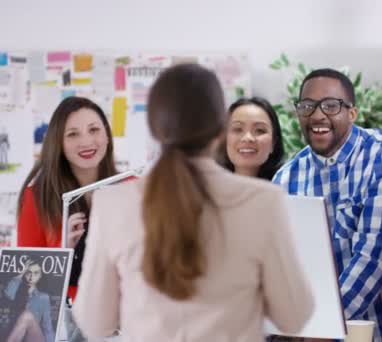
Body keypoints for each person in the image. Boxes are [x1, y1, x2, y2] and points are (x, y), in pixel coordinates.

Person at [73, 63, 314, 341]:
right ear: (220, 129)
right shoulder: (263, 201)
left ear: (154, 127)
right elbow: (295, 315)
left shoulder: (112, 203)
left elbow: (94, 322)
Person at [273, 68, 382, 341]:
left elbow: (374, 257)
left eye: (331, 105)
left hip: (375, 331)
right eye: (307, 106)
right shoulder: (286, 178)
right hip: (306, 332)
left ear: (352, 113)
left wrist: (321, 328)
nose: (317, 115)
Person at [16, 96, 120, 300]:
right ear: (59, 143)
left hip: (127, 319)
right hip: (68, 320)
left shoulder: (131, 187)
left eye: (94, 130)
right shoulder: (36, 199)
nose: (86, 142)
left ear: (107, 134)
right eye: (73, 134)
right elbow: (27, 285)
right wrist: (63, 251)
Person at [222, 97, 285, 180]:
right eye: (238, 129)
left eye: (259, 130)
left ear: (273, 143)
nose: (248, 138)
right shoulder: (205, 188)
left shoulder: (285, 187)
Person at [3, 258, 53, 342]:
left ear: (40, 275)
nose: (31, 277)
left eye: (36, 273)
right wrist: (22, 272)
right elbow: (8, 294)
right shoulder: (16, 291)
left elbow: (47, 326)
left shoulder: (43, 297)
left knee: (27, 315)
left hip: (34, 337)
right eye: (28, 273)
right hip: (17, 336)